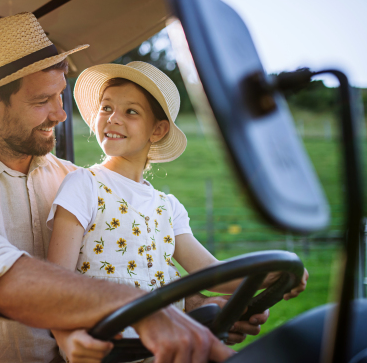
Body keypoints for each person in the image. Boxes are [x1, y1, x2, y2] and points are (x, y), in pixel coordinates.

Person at [0, 12, 271, 363]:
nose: (61, 114)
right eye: (40, 101)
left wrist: (194, 307)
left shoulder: (75, 177)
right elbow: (3, 280)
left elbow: (114, 261)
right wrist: (130, 307)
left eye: (59, 95)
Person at [45, 62, 309, 362]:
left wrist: (275, 275)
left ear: (157, 130)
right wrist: (67, 339)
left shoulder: (167, 207)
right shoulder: (84, 185)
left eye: (131, 111)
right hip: (107, 350)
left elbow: (211, 273)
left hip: (167, 348)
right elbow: (57, 281)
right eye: (106, 108)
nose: (113, 118)